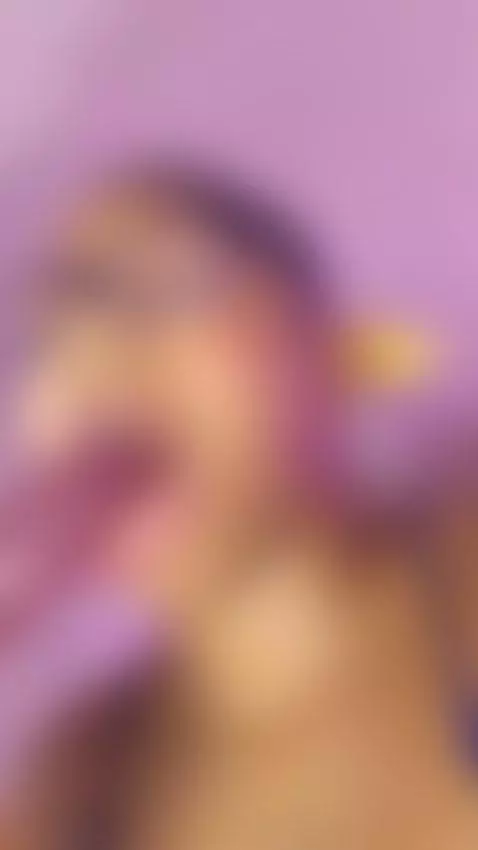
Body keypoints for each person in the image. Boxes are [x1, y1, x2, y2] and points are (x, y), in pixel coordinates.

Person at [2, 164, 478, 850]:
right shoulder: (74, 781)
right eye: (50, 337)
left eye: (163, 284)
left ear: (321, 345)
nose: (101, 354)